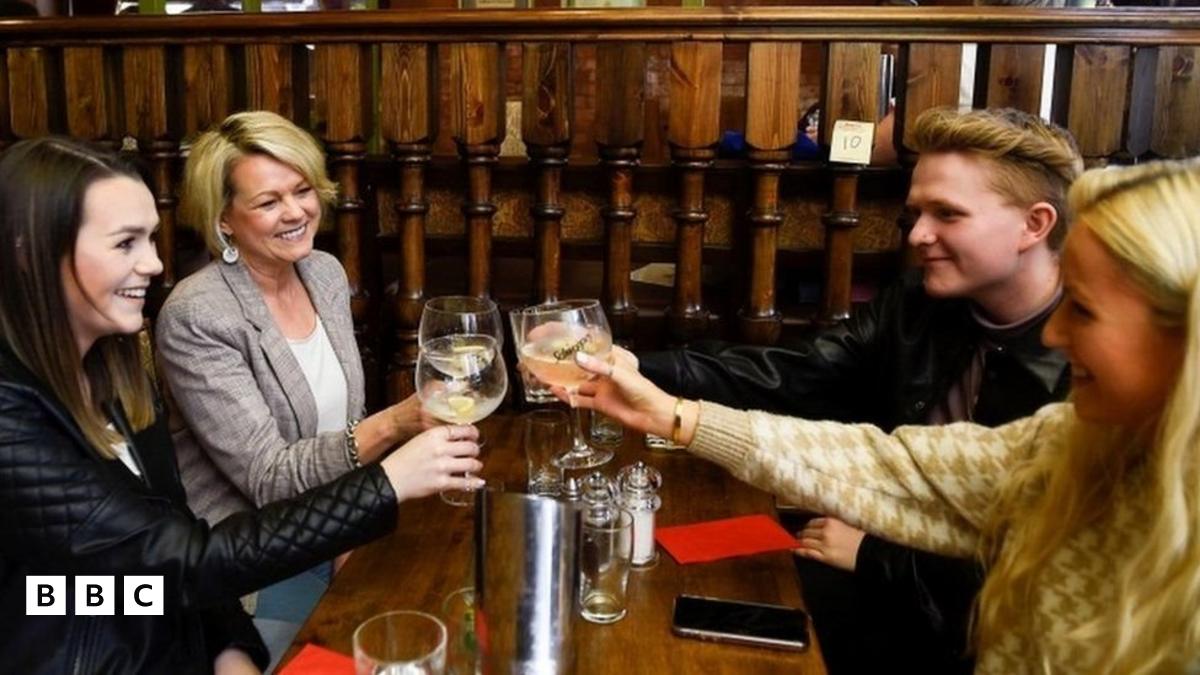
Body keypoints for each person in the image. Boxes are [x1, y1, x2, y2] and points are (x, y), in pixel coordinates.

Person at [564, 157, 1200, 673]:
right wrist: (667, 405)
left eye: (1083, 309)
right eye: (917, 212)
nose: (1058, 334)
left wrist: (878, 559)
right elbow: (891, 463)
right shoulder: (1073, 435)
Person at [0, 137, 482, 674]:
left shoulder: (111, 371)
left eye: (151, 239)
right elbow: (131, 579)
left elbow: (165, 553)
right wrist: (387, 481)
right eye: (125, 244)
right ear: (29, 251)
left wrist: (231, 651)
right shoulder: (10, 415)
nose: (154, 263)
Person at [639, 106, 1081, 673]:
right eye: (916, 213)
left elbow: (1039, 568)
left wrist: (879, 556)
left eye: (948, 214)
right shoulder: (919, 303)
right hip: (897, 580)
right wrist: (640, 368)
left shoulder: (1094, 367)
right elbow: (798, 372)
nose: (918, 235)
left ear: (1035, 225)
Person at [155, 111, 433, 650]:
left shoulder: (323, 272)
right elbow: (269, 478)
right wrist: (395, 425)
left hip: (334, 526)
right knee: (382, 642)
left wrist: (355, 522)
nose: (295, 212)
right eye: (268, 202)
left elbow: (341, 423)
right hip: (252, 561)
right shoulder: (198, 315)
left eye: (302, 190)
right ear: (224, 219)